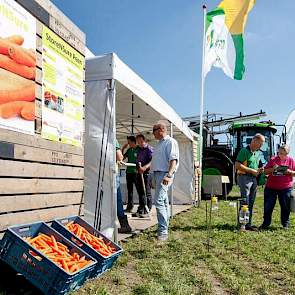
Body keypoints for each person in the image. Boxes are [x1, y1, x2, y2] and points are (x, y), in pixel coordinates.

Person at [150, 122, 179, 241]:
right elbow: (156, 161)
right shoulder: (158, 144)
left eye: (154, 130)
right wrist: (152, 176)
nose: (153, 133)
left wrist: (169, 175)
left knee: (158, 201)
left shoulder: (170, 142)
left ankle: (163, 231)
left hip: (165, 174)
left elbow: (173, 160)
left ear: (161, 130)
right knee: (164, 200)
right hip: (157, 174)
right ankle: (164, 225)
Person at [260, 145, 295, 230]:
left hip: (286, 187)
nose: (281, 155)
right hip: (271, 187)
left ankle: (285, 224)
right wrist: (273, 169)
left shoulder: (291, 160)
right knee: (268, 206)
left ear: (287, 153)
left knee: (285, 206)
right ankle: (266, 224)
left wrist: (289, 172)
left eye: (283, 154)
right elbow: (265, 171)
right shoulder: (273, 159)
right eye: (279, 153)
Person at [235, 133, 265, 231]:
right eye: (260, 144)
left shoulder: (256, 154)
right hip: (244, 178)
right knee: (245, 201)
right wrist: (252, 171)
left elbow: (255, 168)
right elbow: (237, 165)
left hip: (253, 179)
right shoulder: (244, 151)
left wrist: (260, 170)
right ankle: (241, 225)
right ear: (254, 141)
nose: (261, 146)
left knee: (251, 202)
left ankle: (248, 224)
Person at [132, 134, 153, 217]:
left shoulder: (149, 149)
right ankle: (141, 209)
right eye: (138, 142)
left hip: (147, 173)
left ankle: (147, 210)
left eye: (141, 141)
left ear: (144, 140)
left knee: (146, 192)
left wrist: (144, 167)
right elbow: (138, 160)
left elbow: (152, 161)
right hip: (139, 173)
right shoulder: (139, 150)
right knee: (140, 192)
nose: (139, 143)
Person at [115, 139, 132, 233]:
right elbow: (120, 157)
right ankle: (124, 225)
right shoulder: (112, 137)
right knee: (117, 199)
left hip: (101, 174)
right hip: (112, 173)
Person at [122, 136, 140, 212]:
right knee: (130, 191)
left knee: (139, 190)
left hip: (136, 173)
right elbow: (122, 158)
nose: (128, 144)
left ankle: (142, 207)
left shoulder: (139, 149)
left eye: (129, 142)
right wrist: (123, 149)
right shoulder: (129, 150)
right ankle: (129, 207)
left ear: (133, 142)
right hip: (128, 172)